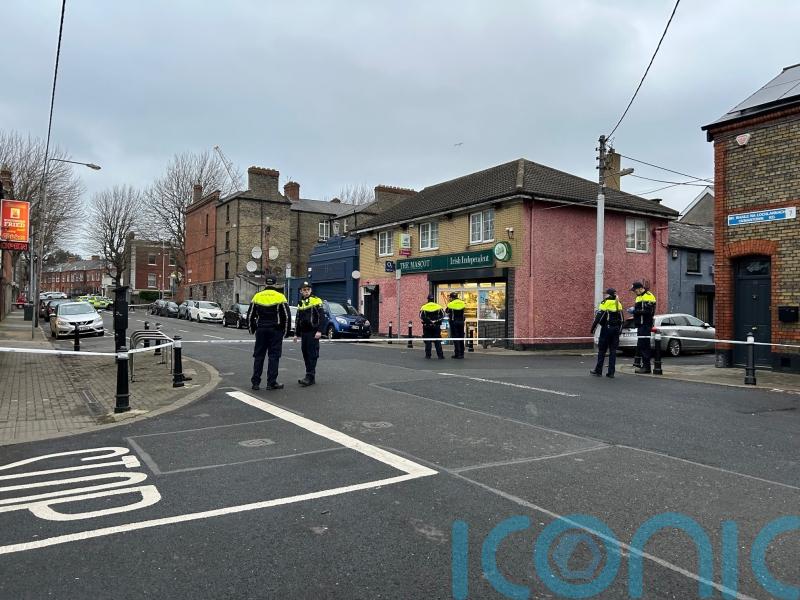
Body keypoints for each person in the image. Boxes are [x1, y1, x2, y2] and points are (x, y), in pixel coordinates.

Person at [247, 276, 291, 390]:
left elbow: (250, 315)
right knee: (274, 356)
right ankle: (271, 383)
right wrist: (286, 332)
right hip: (275, 331)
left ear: (265, 284)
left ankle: (255, 383)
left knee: (259, 356)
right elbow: (287, 315)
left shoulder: (257, 296)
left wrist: (252, 329)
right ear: (275, 284)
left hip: (261, 330)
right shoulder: (280, 296)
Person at [294, 281, 325, 387]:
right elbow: (298, 319)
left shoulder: (316, 300)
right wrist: (296, 334)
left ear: (311, 290)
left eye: (308, 290)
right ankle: (309, 376)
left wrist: (320, 331)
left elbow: (322, 317)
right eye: (304, 290)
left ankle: (310, 376)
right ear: (301, 291)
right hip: (304, 333)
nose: (306, 292)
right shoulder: (300, 303)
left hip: (313, 332)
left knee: (312, 354)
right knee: (305, 353)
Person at [589, 288, 624, 378]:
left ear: (609, 295)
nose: (605, 295)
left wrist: (593, 329)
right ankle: (611, 373)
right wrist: (620, 330)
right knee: (613, 351)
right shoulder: (618, 304)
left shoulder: (605, 303)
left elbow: (599, 318)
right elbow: (622, 319)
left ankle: (598, 370)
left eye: (606, 294)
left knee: (602, 350)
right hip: (615, 330)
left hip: (606, 329)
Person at [629, 281, 657, 374]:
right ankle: (640, 364)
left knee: (645, 346)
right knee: (641, 345)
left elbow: (647, 312)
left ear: (641, 288)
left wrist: (634, 311)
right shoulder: (639, 297)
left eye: (635, 290)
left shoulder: (648, 296)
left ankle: (647, 367)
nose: (634, 292)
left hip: (645, 325)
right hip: (640, 325)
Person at [419, 294, 445, 359]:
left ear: (428, 299)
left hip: (427, 326)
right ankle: (440, 355)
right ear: (434, 299)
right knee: (437, 341)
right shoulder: (438, 306)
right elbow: (443, 315)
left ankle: (428, 355)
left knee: (428, 341)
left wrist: (429, 321)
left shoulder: (424, 307)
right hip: (436, 326)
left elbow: (421, 316)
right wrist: (435, 321)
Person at [445, 291, 466, 359]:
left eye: (450, 297)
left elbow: (447, 311)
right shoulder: (462, 303)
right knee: (461, 337)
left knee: (456, 338)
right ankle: (462, 353)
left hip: (454, 322)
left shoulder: (451, 304)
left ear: (451, 297)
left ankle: (458, 353)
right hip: (461, 322)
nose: (449, 298)